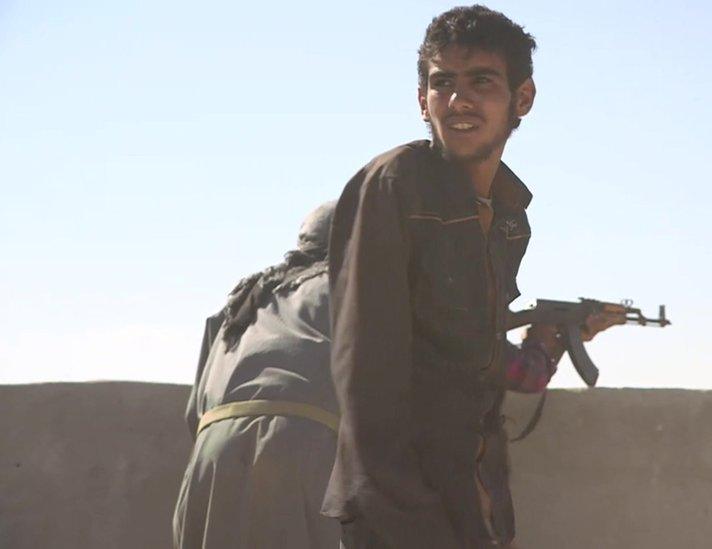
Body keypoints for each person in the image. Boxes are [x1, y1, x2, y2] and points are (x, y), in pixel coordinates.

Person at [322, 6, 622, 548]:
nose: (459, 101)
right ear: (421, 101)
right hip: (403, 513)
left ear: (522, 99)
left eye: (481, 82)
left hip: (470, 497)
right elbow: (365, 368)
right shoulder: (396, 186)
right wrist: (411, 516)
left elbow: (478, 362)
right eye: (443, 84)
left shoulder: (508, 217)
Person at [173, 202, 341, 549]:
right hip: (298, 446)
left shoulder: (245, 298)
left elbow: (195, 415)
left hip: (212, 456)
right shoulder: (349, 286)